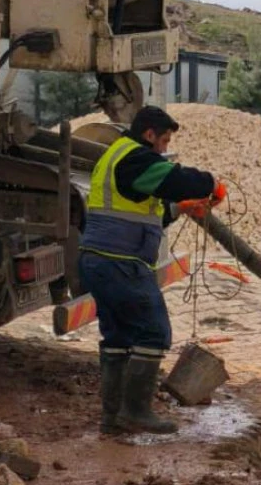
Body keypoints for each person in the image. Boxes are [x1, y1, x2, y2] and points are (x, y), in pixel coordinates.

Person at [78, 106, 221, 435]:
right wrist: (211, 183)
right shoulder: (138, 159)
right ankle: (136, 412)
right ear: (149, 135)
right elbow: (176, 179)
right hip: (121, 262)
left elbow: (140, 209)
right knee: (154, 332)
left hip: (97, 259)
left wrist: (181, 208)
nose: (166, 149)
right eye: (165, 141)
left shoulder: (116, 156)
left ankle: (112, 417)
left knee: (118, 337)